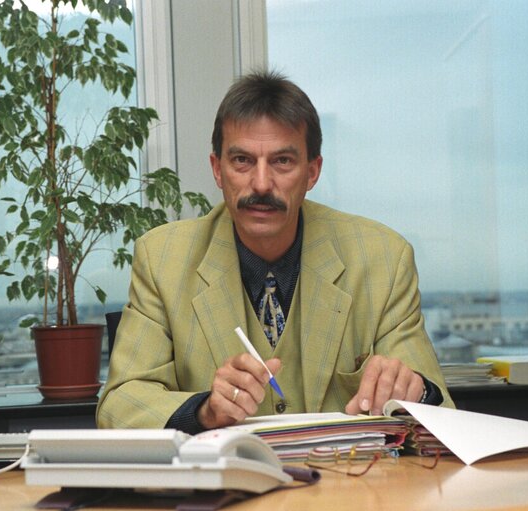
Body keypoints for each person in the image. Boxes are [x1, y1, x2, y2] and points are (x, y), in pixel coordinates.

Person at [96, 71, 453, 433]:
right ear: (217, 170)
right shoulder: (162, 259)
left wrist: (416, 392)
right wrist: (203, 411)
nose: (262, 184)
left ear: (312, 172)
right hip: (225, 486)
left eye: (282, 161)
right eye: (242, 161)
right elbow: (119, 404)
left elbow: (443, 413)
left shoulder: (384, 258)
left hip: (350, 483)